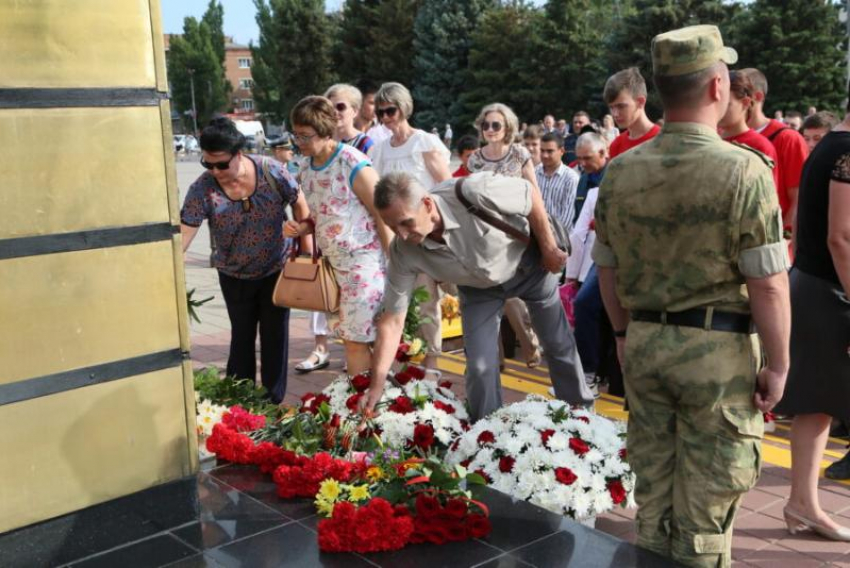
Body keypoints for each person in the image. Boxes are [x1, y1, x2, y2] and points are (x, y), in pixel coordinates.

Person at [594, 26, 791, 567]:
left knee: (652, 500)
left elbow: (606, 271)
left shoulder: (622, 169)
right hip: (718, 357)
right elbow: (769, 282)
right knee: (705, 516)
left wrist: (622, 335)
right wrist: (778, 364)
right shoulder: (744, 170)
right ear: (717, 87)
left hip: (646, 344)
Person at [363, 171, 594, 420]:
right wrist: (376, 385)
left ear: (427, 204)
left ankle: (581, 417)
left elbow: (530, 195)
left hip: (530, 267)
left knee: (557, 344)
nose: (403, 234)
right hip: (478, 290)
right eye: (392, 227)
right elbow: (393, 320)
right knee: (479, 366)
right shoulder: (402, 251)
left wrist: (549, 247)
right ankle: (486, 432)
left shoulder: (474, 191)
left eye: (406, 222)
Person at [180, 117, 309, 404]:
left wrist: (306, 251)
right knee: (241, 337)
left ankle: (273, 400)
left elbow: (300, 203)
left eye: (222, 164)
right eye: (208, 164)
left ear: (239, 154)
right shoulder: (202, 189)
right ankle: (241, 398)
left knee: (275, 336)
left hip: (277, 268)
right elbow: (185, 233)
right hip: (234, 273)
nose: (215, 171)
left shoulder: (270, 171)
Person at [772, 103, 850, 537]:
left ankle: (803, 503)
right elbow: (841, 237)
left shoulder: (829, 146)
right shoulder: (846, 152)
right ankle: (803, 503)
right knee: (818, 405)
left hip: (813, 283)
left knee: (818, 406)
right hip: (828, 291)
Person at [283, 96, 392, 379]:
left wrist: (394, 259)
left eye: (305, 136)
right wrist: (303, 227)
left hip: (362, 263)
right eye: (296, 135)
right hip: (333, 267)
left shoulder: (351, 161)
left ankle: (361, 406)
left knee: (356, 341)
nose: (299, 142)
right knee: (352, 339)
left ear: (324, 131)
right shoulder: (306, 167)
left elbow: (381, 212)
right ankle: (370, 400)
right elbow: (321, 213)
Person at [370, 82, 451, 376]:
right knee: (401, 300)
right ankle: (404, 355)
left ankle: (433, 360)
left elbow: (445, 185)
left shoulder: (424, 143)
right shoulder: (379, 150)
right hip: (399, 236)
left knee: (428, 300)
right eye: (380, 113)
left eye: (390, 110)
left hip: (428, 232)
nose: (385, 117)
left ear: (403, 108)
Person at [467, 102, 543, 368]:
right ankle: (494, 358)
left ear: (507, 127)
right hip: (484, 233)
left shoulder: (519, 154)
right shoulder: (475, 158)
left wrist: (542, 235)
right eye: (485, 124)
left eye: (495, 125)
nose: (489, 129)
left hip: (514, 232)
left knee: (508, 292)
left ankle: (529, 342)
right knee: (489, 294)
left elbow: (534, 195)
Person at [742, 67, 809, 233]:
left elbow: (800, 198)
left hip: (772, 240)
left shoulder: (788, 138)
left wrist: (785, 238)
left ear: (757, 97)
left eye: (738, 94)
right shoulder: (722, 135)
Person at [717, 70, 781, 195]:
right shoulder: (711, 138)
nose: (719, 109)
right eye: (717, 102)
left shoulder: (760, 146)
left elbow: (767, 198)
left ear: (745, 102)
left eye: (727, 104)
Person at [605, 68, 661, 160]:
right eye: (611, 107)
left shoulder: (662, 139)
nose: (615, 114)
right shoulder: (616, 145)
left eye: (621, 106)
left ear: (640, 102)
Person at [536, 132, 579, 234]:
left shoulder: (571, 178)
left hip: (561, 240)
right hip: (535, 236)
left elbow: (567, 218)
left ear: (562, 151)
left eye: (550, 151)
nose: (545, 155)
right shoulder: (534, 173)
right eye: (542, 151)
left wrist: (548, 237)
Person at [325, 83, 374, 156]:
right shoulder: (320, 140)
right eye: (330, 107)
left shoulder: (365, 144)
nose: (335, 112)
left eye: (340, 107)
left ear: (355, 111)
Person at [355, 78, 391, 144]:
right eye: (372, 103)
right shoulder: (343, 130)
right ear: (359, 102)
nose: (378, 108)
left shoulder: (387, 133)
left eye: (380, 103)